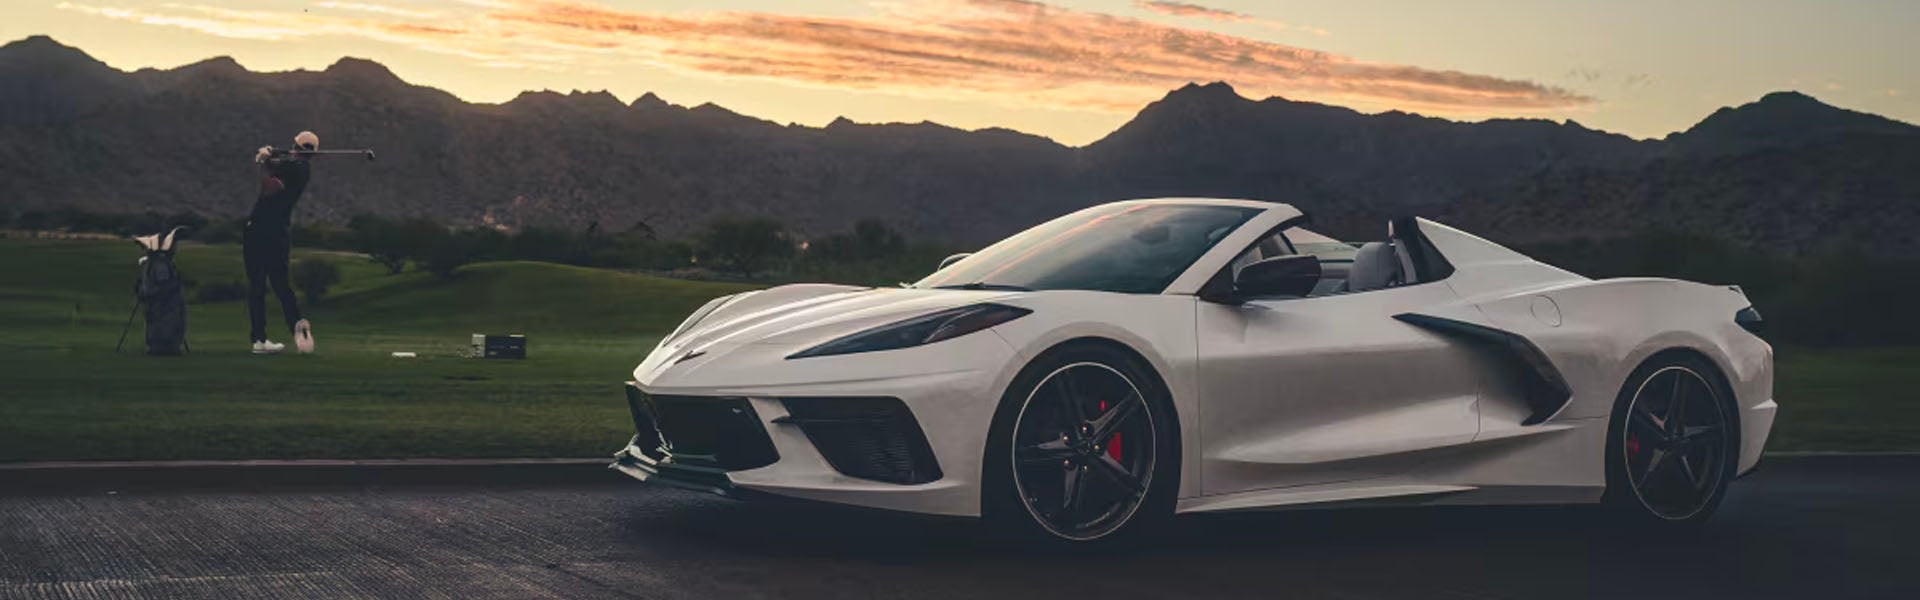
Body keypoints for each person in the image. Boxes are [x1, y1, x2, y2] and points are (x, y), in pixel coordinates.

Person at [244, 131, 319, 354]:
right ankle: (288, 326)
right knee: (274, 283)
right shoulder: (299, 168)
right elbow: (279, 167)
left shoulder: (296, 169)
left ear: (295, 147)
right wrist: (269, 159)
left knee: (263, 284)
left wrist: (264, 163)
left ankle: (262, 337)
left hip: (263, 230)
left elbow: (271, 186)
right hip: (274, 231)